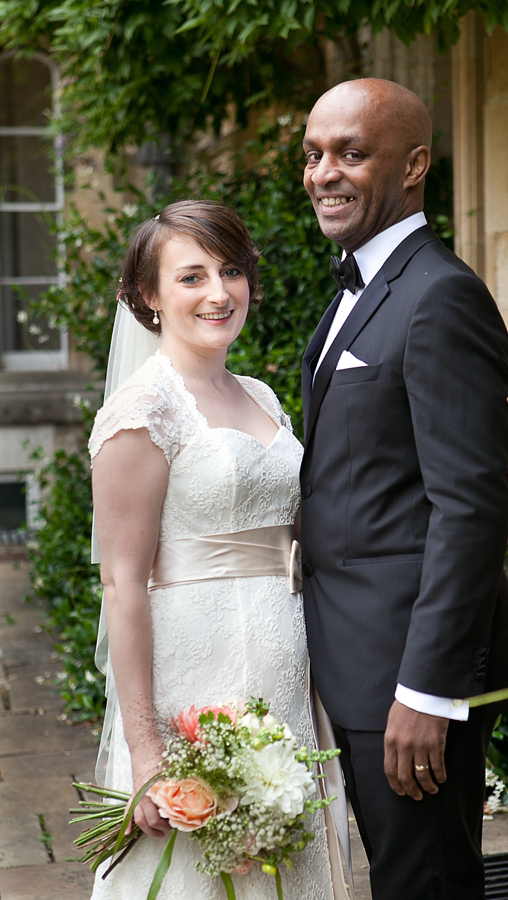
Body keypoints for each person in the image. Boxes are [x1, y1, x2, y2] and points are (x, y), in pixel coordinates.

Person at [300, 78, 508, 900]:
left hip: (406, 674)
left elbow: (469, 509)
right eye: (315, 154)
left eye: (351, 154)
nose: (325, 172)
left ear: (414, 164)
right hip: (353, 658)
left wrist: (427, 691)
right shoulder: (357, 292)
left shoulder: (441, 297)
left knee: (425, 885)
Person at [88, 200, 338, 900]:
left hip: (285, 672)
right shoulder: (142, 412)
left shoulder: (259, 396)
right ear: (149, 295)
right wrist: (145, 749)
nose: (219, 292)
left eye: (231, 270)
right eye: (191, 276)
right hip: (194, 672)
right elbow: (122, 583)